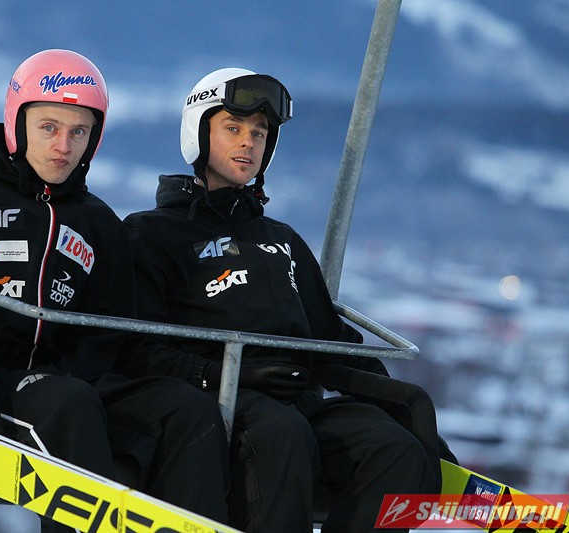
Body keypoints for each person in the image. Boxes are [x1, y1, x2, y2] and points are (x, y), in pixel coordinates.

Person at [0, 50, 229, 531]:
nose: (63, 146)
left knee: (189, 412)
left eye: (79, 132)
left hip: (61, 383)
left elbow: (112, 331)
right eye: (49, 127)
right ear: (18, 124)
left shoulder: (98, 222)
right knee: (66, 403)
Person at [122, 68, 443, 532]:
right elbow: (134, 346)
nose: (248, 142)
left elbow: (331, 340)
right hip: (217, 403)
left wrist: (402, 406)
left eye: (259, 133)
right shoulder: (153, 234)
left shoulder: (281, 239)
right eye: (232, 128)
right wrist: (222, 373)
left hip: (296, 402)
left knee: (396, 450)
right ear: (198, 133)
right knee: (282, 434)